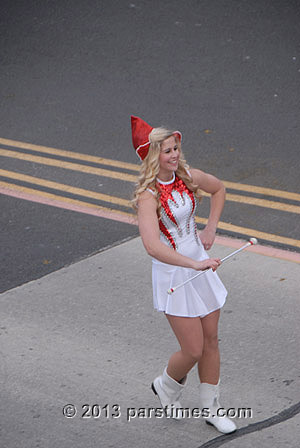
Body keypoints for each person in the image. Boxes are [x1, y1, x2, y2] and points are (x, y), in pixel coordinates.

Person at [131, 115, 237, 434]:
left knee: (211, 341)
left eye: (176, 148)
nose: (174, 155)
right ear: (153, 156)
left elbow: (219, 189)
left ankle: (211, 409)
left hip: (200, 264)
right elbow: (152, 245)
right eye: (166, 151)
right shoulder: (147, 197)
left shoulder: (188, 176)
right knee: (192, 349)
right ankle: (166, 385)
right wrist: (193, 264)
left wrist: (211, 228)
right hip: (174, 276)